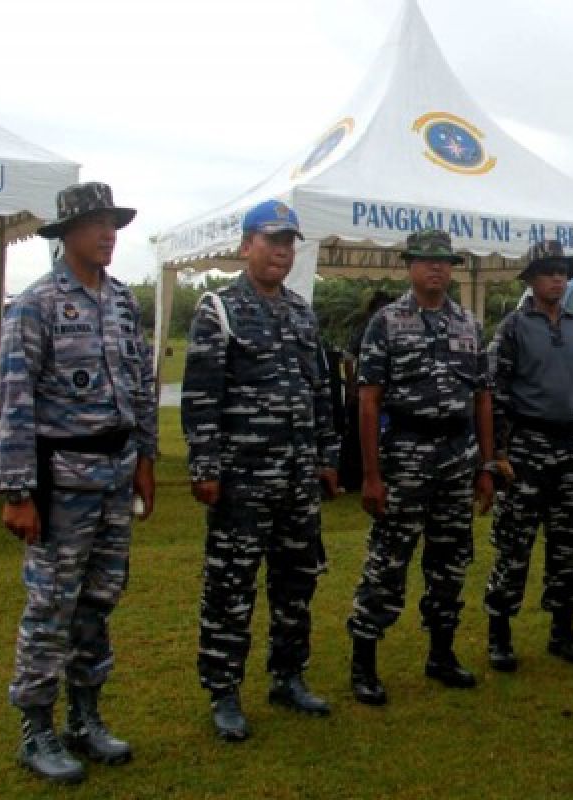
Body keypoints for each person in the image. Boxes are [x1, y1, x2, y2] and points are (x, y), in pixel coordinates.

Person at [0, 182, 157, 783]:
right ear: (67, 235)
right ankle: (37, 729)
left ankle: (85, 718)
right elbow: (13, 402)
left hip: (115, 478)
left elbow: (141, 387)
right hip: (60, 482)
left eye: (113, 223)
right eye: (95, 224)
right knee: (51, 607)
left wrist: (146, 458)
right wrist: (17, 493)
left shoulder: (121, 302)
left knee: (99, 602)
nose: (108, 233)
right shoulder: (35, 306)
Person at [181, 199, 339, 742]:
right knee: (231, 586)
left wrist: (327, 457)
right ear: (247, 245)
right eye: (271, 240)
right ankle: (223, 691)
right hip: (243, 480)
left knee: (296, 583)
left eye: (289, 242)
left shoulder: (301, 312)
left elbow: (319, 392)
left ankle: (287, 676)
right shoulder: (218, 310)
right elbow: (201, 397)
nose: (281, 251)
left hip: (297, 478)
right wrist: (205, 467)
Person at [347, 228, 494, 706]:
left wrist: (486, 467)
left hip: (457, 456)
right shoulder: (386, 323)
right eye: (427, 261)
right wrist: (371, 476)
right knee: (388, 561)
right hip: (405, 456)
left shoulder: (469, 324)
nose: (437, 268)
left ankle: (442, 654)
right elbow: (368, 403)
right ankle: (364, 662)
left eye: (445, 261)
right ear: (409, 265)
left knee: (451, 562)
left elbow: (482, 398)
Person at [484, 240, 573, 673]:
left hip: (568, 449)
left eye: (563, 271)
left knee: (566, 543)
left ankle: (563, 631)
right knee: (514, 543)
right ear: (532, 279)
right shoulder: (513, 328)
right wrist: (497, 452)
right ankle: (499, 633)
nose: (558, 277)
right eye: (549, 270)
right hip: (526, 449)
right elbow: (494, 395)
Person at [337, 290, 396, 492]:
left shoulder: (391, 327)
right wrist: (353, 385)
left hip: (382, 392)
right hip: (363, 392)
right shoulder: (367, 327)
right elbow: (348, 358)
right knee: (356, 436)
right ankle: (353, 478)